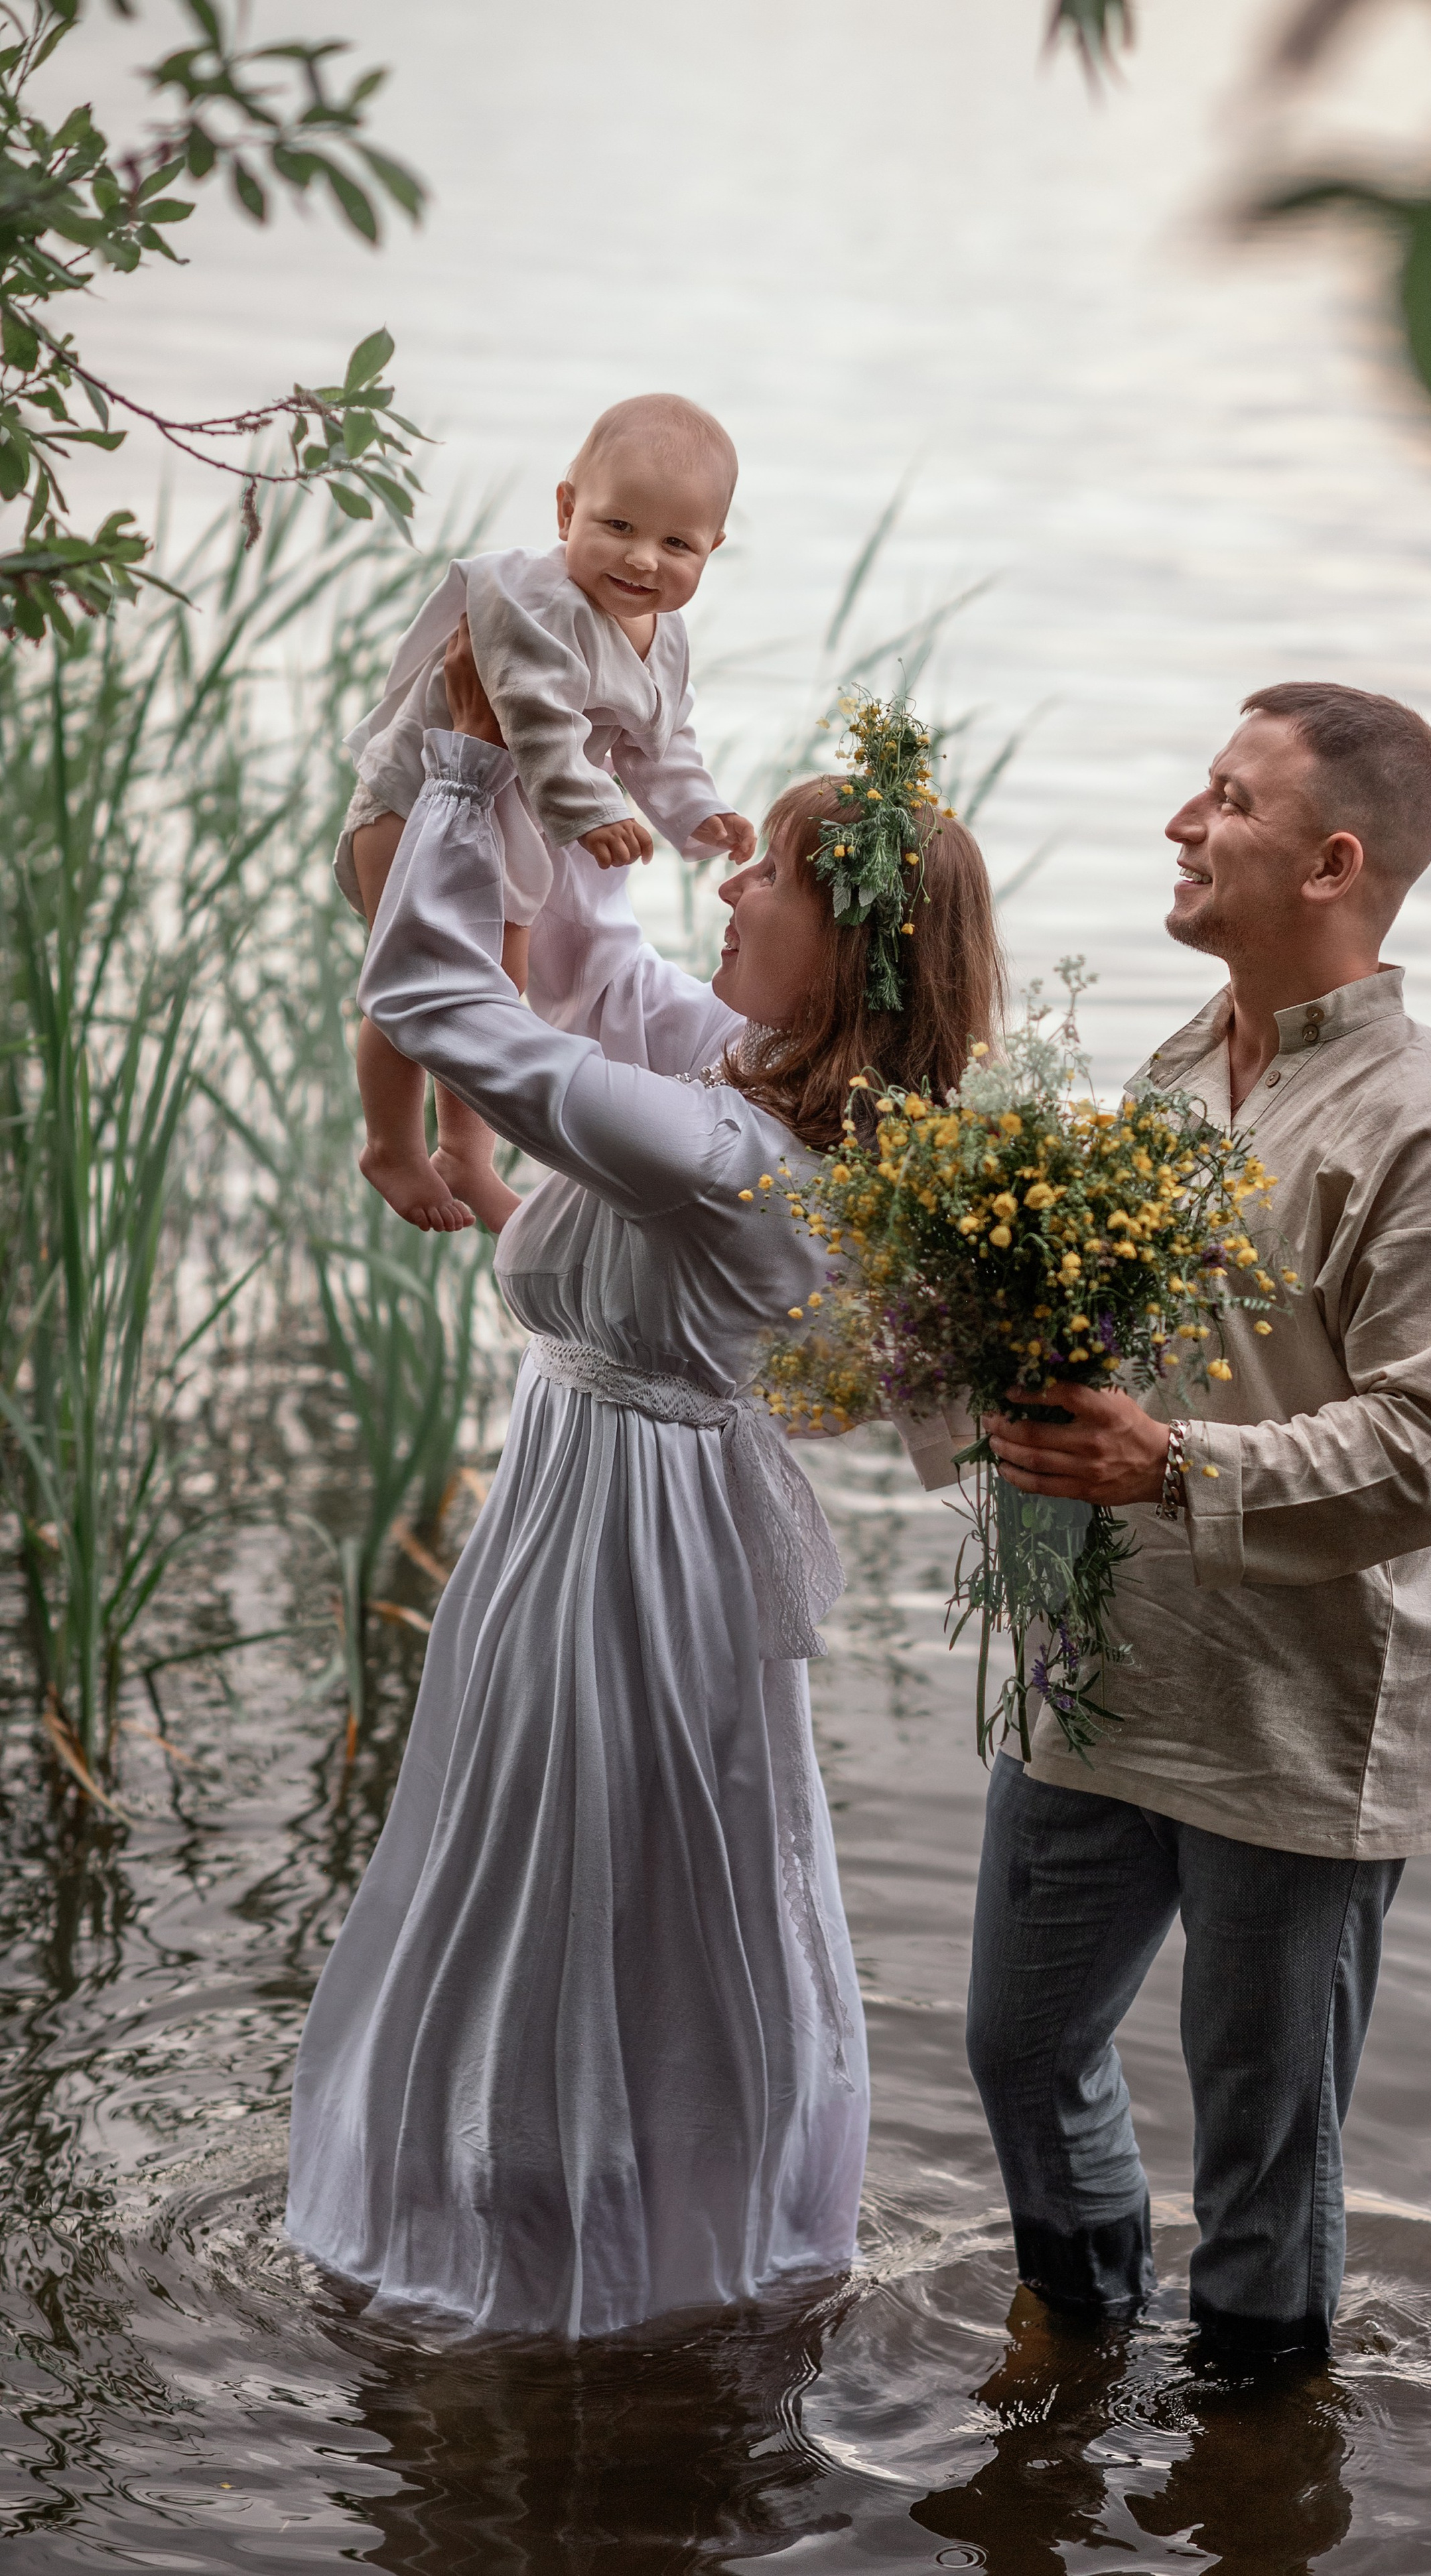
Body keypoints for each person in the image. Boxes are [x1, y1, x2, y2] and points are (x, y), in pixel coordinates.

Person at [285, 623, 1006, 2342]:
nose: (730, 880)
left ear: (849, 957)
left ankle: (574, 2241)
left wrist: (461, 779)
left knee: (589, 1870)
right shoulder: (757, 1086)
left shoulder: (722, 1149)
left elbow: (447, 1005)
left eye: (767, 867)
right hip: (604, 1507)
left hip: (624, 1535)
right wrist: (569, 770)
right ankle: (625, 2216)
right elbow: (597, 970)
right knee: (596, 1861)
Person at [967, 682, 1431, 2360]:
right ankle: (1068, 2340)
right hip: (1102, 1671)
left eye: (1223, 796)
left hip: (1301, 1715)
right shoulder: (1166, 1070)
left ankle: (1255, 2429)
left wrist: (1170, 1468)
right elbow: (1131, 1357)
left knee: (1263, 2150)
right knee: (1017, 2045)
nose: (1179, 820)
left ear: (1329, 861)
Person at [336, 392, 756, 1236]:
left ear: (712, 548)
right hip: (416, 802)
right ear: (567, 509)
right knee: (413, 974)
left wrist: (698, 814)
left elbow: (660, 741)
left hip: (511, 823)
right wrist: (590, 808)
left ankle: (467, 1151)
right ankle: (391, 1144)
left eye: (676, 543)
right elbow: (534, 716)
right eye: (617, 526)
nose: (642, 560)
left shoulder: (659, 636)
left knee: (496, 992)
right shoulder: (536, 600)